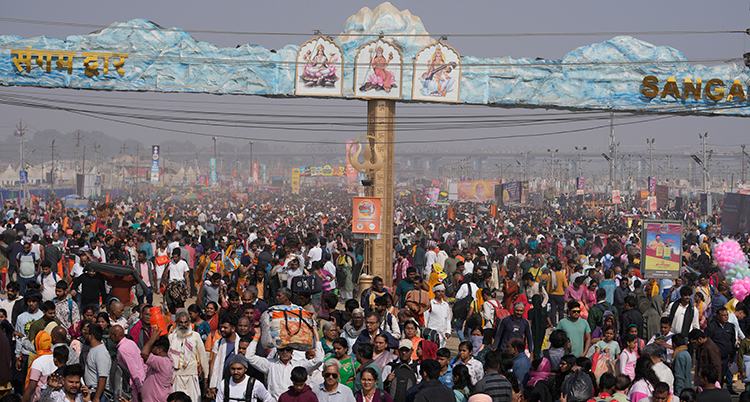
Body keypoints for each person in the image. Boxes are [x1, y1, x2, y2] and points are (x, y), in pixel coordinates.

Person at [245, 325, 323, 399]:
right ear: (277, 351)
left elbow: (319, 359)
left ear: (292, 351)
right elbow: (249, 356)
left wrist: (316, 335)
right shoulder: (270, 364)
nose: (285, 352)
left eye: (288, 349)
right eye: (281, 349)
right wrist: (257, 336)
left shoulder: (300, 365)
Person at [168, 310, 208, 402]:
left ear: (189, 322)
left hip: (192, 374)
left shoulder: (195, 336)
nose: (183, 324)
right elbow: (168, 357)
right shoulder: (172, 337)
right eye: (181, 322)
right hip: (177, 375)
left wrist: (206, 376)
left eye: (186, 322)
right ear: (177, 323)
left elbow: (203, 356)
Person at [704, 307, 737, 394]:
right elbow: (707, 342)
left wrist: (732, 354)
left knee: (722, 377)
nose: (726, 317)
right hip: (715, 359)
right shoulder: (712, 327)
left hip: (726, 358)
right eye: (723, 315)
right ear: (718, 316)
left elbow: (732, 341)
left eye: (727, 315)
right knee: (715, 377)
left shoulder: (730, 326)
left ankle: (720, 393)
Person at [109, 325, 146, 402]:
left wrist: (139, 390)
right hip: (141, 381)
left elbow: (133, 370)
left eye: (111, 336)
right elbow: (142, 361)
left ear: (115, 335)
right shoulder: (130, 343)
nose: (110, 338)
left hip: (133, 386)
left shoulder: (123, 349)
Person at [140, 332, 174, 402]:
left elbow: (144, 353)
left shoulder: (162, 362)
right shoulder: (167, 359)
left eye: (153, 348)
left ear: (159, 350)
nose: (151, 350)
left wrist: (152, 339)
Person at [82, 323, 110, 402]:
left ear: (91, 336)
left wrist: (97, 397)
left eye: (86, 333)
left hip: (99, 395)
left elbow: (103, 377)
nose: (84, 335)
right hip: (91, 392)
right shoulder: (93, 349)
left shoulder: (101, 353)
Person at [424, 283, 451, 348]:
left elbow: (447, 319)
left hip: (443, 334)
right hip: (432, 333)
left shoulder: (446, 305)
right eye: (438, 291)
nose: (440, 293)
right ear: (434, 292)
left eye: (442, 291)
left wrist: (448, 331)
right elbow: (426, 318)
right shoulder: (430, 304)